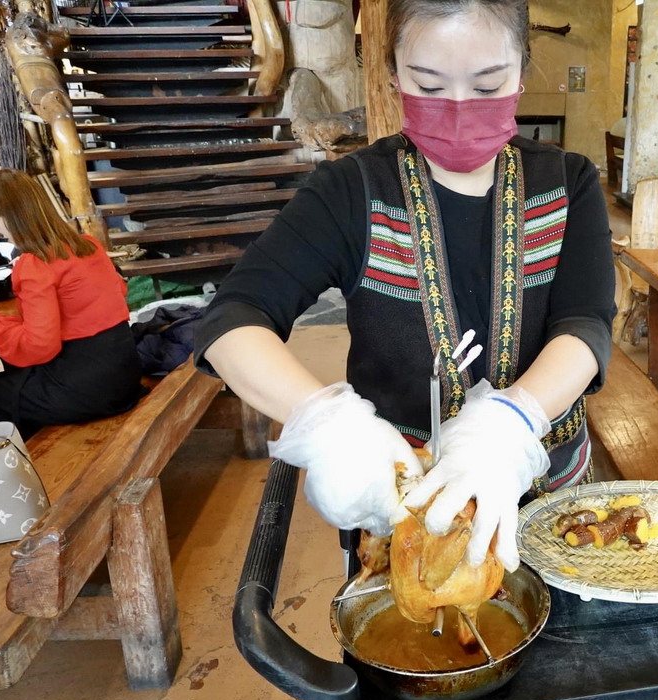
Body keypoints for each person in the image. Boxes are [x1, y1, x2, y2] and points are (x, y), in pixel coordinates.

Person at [195, 0, 615, 573]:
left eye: (489, 85)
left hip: (545, 499)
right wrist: (328, 426)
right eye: (429, 85)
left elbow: (585, 323)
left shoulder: (567, 182)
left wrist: (513, 421)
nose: (461, 109)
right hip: (404, 514)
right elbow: (234, 319)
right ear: (393, 73)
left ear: (522, 70)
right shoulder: (350, 191)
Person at [0, 169, 141, 438]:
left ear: (12, 218)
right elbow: (117, 289)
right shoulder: (87, 245)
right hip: (123, 373)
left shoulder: (37, 264)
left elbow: (39, 346)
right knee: (12, 381)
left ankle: (5, 472)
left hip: (89, 388)